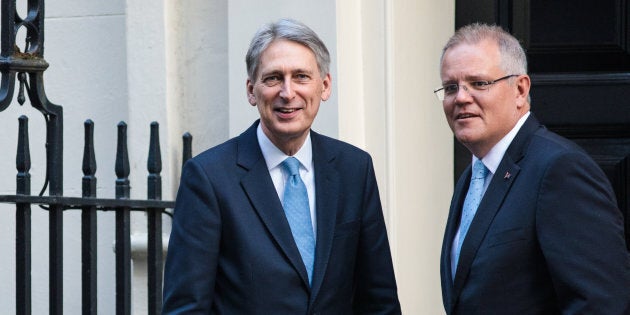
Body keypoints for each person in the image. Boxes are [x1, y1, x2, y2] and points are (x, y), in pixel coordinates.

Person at [162, 18, 401, 314]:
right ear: (252, 90)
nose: (288, 93)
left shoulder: (355, 169)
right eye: (274, 78)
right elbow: (186, 307)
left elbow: (379, 300)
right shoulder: (209, 177)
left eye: (301, 76)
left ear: (324, 86)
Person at [437, 23, 630, 314]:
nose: (461, 97)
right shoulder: (472, 177)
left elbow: (600, 303)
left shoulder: (559, 169)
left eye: (479, 83)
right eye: (451, 87)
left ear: (520, 89)